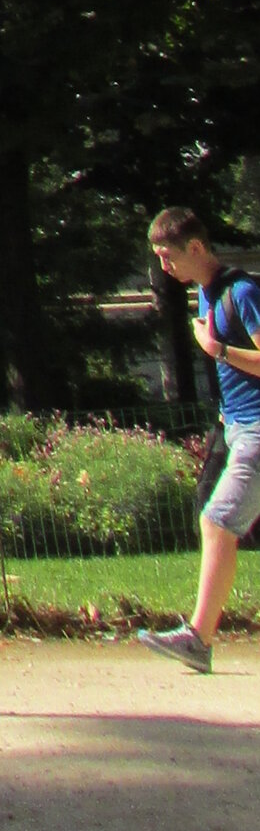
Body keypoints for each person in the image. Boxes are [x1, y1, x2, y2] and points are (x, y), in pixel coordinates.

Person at [140, 207, 260, 675]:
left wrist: (218, 350)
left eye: (168, 257)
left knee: (217, 522)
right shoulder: (207, 295)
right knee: (212, 516)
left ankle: (198, 639)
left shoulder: (242, 292)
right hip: (236, 429)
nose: (164, 268)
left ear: (194, 247)